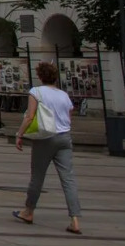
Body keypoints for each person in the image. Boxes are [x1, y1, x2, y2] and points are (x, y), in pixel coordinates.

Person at [12, 62, 82, 235]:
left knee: (37, 177)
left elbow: (30, 116)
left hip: (45, 138)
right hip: (65, 138)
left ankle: (28, 211)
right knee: (68, 179)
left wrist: (19, 134)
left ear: (40, 76)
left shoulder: (36, 92)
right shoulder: (64, 95)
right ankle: (75, 219)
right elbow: (69, 116)